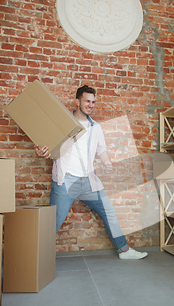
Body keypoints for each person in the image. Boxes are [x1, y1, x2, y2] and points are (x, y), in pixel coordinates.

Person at [35, 85, 147, 260]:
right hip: (66, 181)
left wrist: (107, 162)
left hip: (88, 181)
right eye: (87, 101)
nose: (91, 105)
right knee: (54, 221)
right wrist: (41, 151)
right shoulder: (62, 122)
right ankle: (34, 258)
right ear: (77, 101)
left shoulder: (96, 128)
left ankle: (123, 250)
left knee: (108, 211)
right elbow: (46, 146)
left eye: (93, 102)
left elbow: (101, 149)